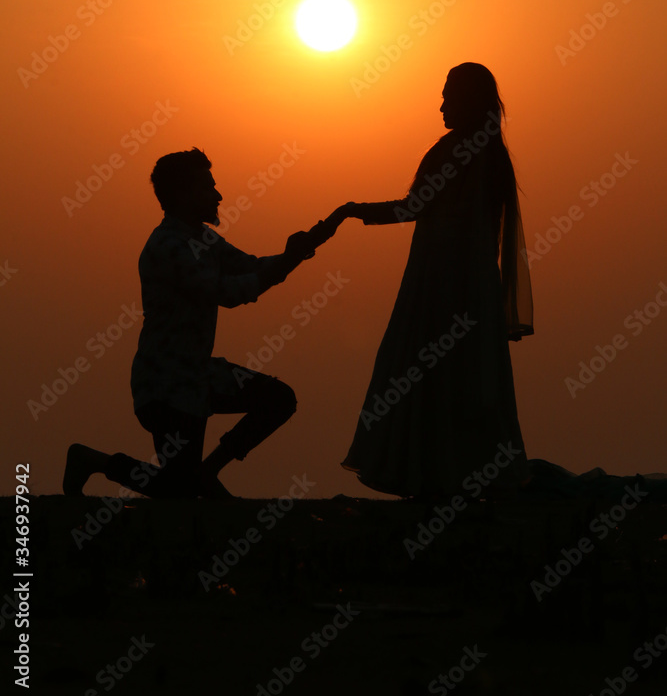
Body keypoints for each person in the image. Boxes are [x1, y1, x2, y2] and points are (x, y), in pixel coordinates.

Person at [63, 147, 327, 499]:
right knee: (178, 492)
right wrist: (287, 263)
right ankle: (95, 461)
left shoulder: (202, 239)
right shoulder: (168, 246)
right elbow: (228, 292)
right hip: (166, 384)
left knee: (278, 400)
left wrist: (293, 255)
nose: (218, 195)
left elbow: (248, 265)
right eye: (208, 187)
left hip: (197, 376)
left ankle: (208, 471)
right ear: (183, 194)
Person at [324, 63, 534, 498]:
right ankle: (468, 475)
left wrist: (350, 210)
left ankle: (425, 473)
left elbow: (411, 208)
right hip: (476, 286)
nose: (440, 106)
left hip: (437, 284)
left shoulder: (454, 150)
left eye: (448, 96)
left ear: (467, 100)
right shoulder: (493, 154)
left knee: (422, 371)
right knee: (469, 378)